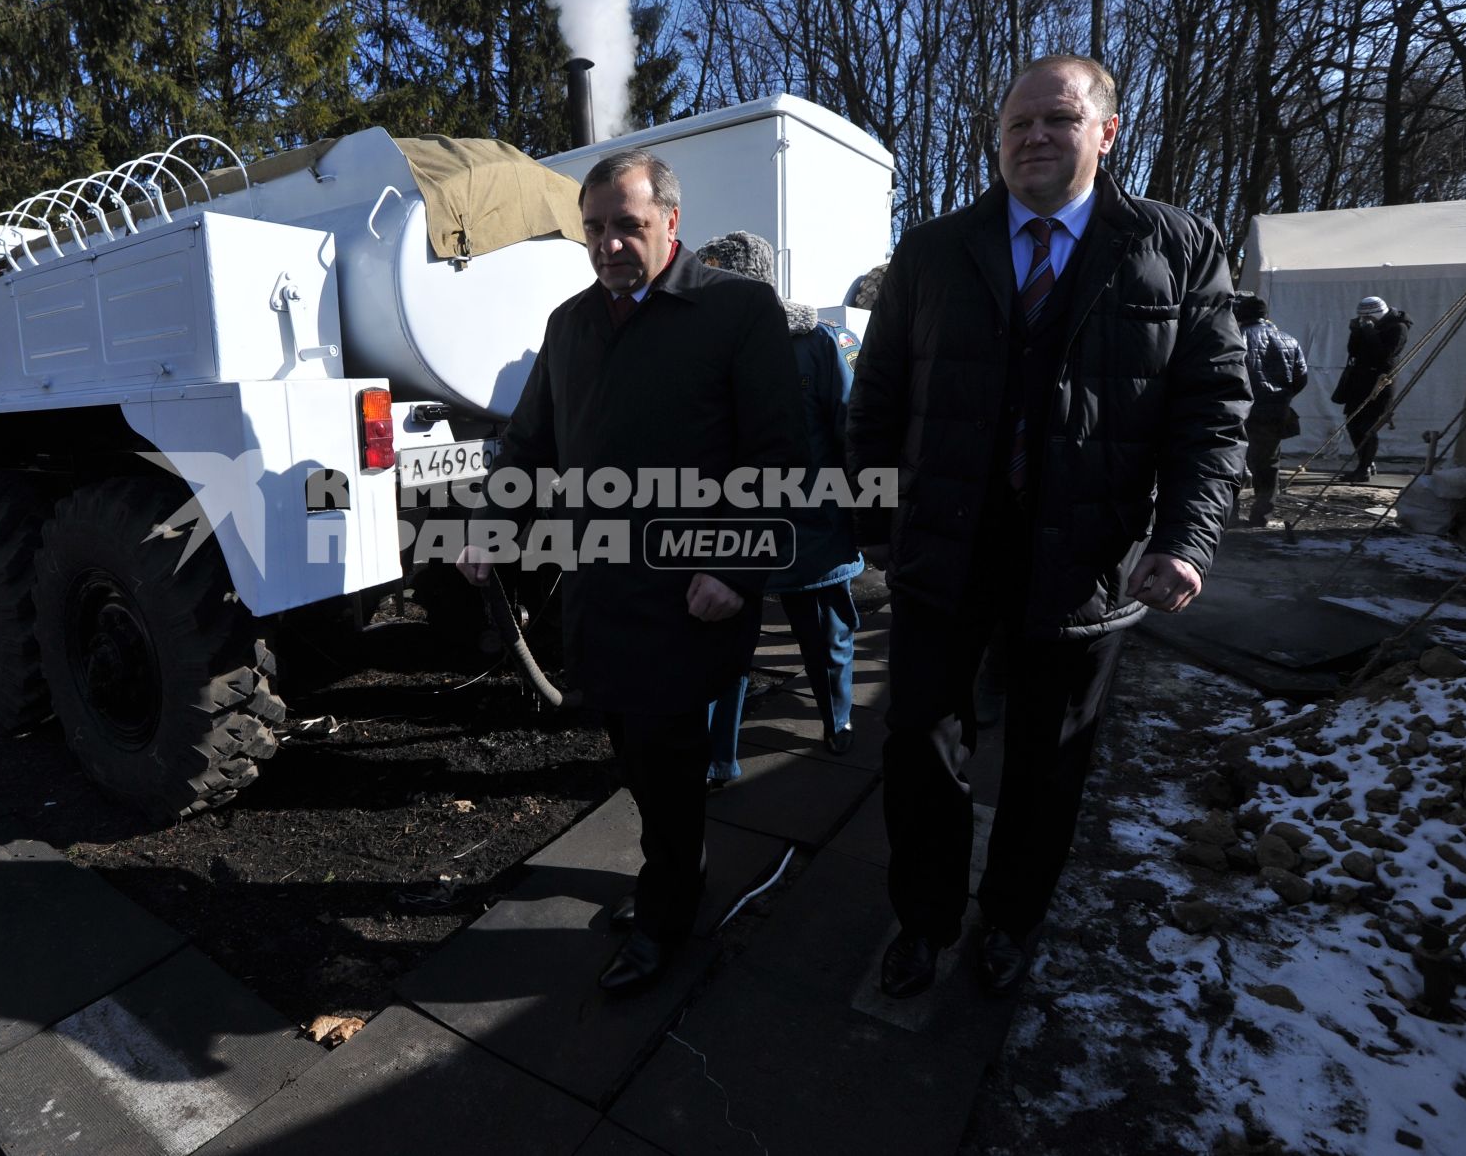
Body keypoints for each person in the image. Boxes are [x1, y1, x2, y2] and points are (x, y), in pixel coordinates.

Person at [847, 54, 1248, 1000]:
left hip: (1086, 564)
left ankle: (1012, 919)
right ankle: (926, 919)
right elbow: (876, 400)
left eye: (1057, 120)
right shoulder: (934, 250)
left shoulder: (1177, 249)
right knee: (919, 749)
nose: (1032, 137)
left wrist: (1185, 539)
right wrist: (871, 517)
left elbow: (1212, 413)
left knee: (1048, 766)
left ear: (1107, 132)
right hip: (945, 553)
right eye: (1016, 123)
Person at [457, 151, 807, 995]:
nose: (610, 243)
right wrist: (494, 524)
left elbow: (781, 454)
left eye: (629, 224)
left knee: (668, 762)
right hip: (599, 594)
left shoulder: (736, 309)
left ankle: (663, 921)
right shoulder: (570, 323)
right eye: (596, 228)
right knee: (635, 754)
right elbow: (533, 443)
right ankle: (675, 877)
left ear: (672, 223)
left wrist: (739, 565)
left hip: (689, 596)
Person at [693, 231, 864, 785]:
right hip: (733, 529)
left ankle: (838, 721)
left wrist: (863, 516)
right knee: (722, 651)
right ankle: (719, 759)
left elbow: (849, 432)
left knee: (827, 636)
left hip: (810, 525)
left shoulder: (818, 343)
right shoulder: (704, 348)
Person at [1232, 292, 1307, 525]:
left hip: (1239, 409)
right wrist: (1283, 397)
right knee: (1268, 464)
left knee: (1231, 461)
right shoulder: (1288, 339)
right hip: (1274, 410)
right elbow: (1301, 377)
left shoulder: (1233, 338)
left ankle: (1229, 514)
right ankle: (1262, 514)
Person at [1331, 295, 1411, 482]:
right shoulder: (1369, 327)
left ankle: (1363, 468)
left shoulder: (1398, 327)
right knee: (1353, 424)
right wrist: (1356, 332)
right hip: (1359, 382)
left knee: (1368, 427)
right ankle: (1365, 462)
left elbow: (1385, 356)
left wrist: (1370, 332)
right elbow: (1354, 351)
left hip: (1380, 383)